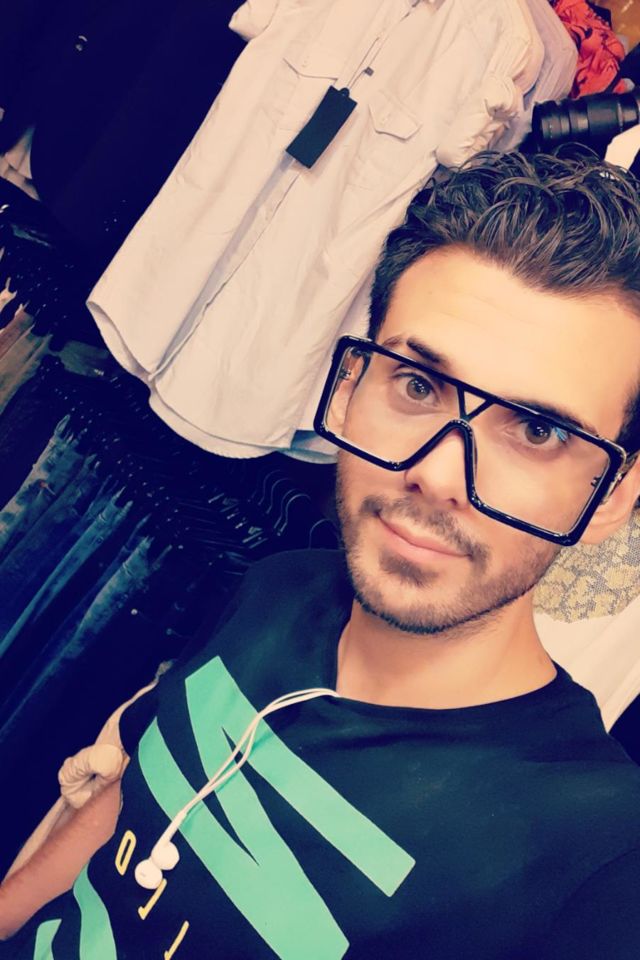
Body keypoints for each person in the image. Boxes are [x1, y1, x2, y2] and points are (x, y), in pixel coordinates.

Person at [2, 149, 640, 959]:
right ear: (351, 384)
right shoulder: (276, 586)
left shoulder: (596, 868)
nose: (437, 475)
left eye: (538, 431)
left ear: (612, 495)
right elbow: (139, 791)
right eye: (417, 385)